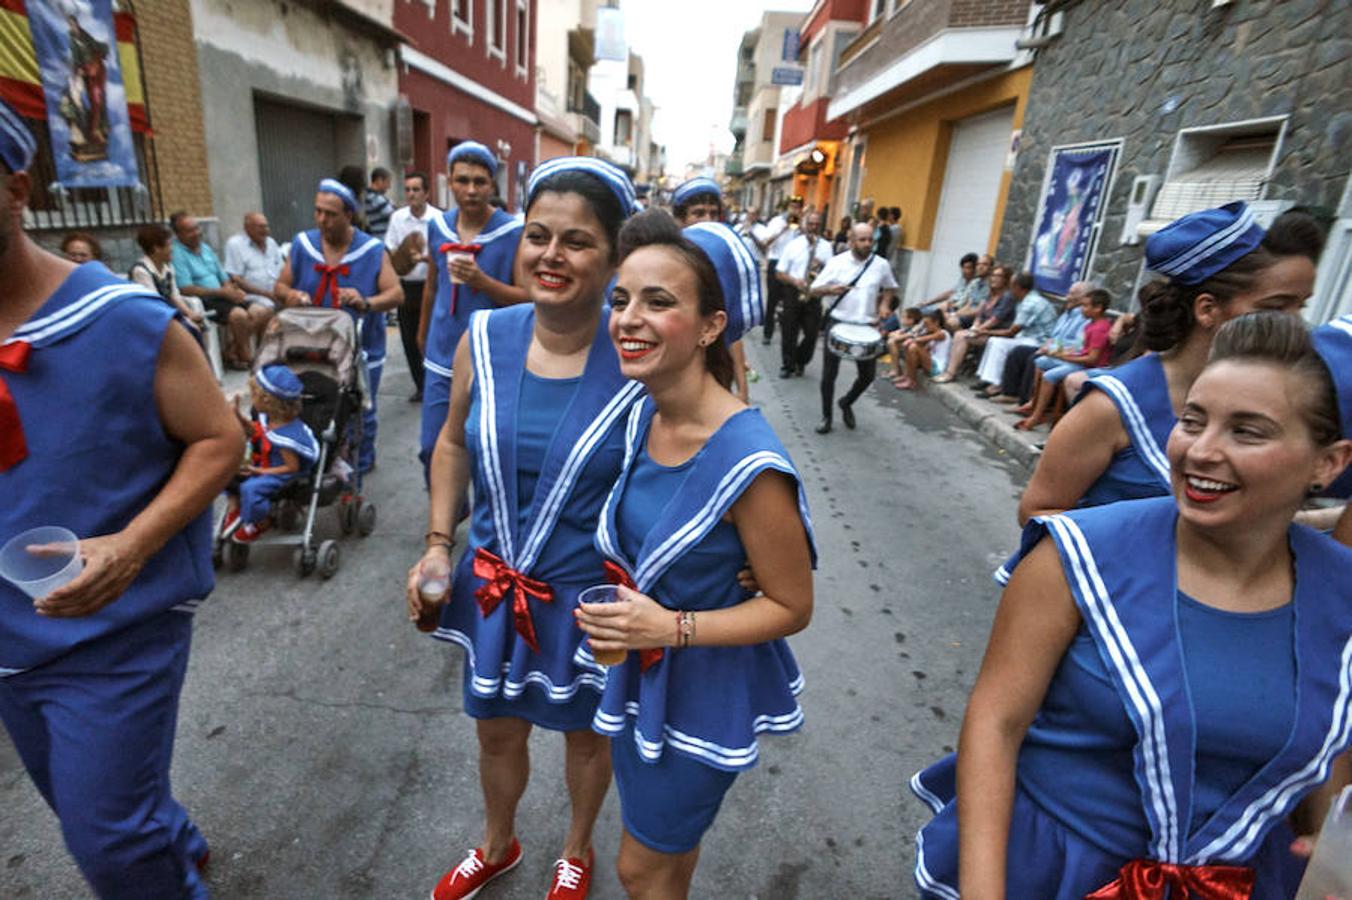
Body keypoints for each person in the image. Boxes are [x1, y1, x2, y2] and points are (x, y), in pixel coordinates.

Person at [913, 311, 1352, 898]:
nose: (1201, 450)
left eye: (1247, 432)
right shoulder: (1076, 555)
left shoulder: (1341, 593)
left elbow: (1327, 763)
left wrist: (1329, 849)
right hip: (1057, 871)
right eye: (1191, 421)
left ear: (1329, 462)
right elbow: (996, 725)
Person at [0, 100, 242, 899]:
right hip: (10, 642)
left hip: (113, 629)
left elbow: (220, 440)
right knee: (82, 804)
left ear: (17, 186)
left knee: (107, 843)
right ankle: (174, 838)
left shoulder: (123, 320)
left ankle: (156, 857)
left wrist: (132, 543)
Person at [407, 157, 643, 900]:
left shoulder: (640, 351)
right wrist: (438, 544)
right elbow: (450, 442)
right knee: (496, 730)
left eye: (576, 242)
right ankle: (498, 842)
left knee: (585, 735)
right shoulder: (482, 335)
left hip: (591, 598)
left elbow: (699, 455)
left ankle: (576, 849)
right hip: (492, 584)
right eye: (538, 235)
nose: (551, 255)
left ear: (612, 259)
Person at [576, 210, 814, 899]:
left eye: (658, 302)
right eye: (620, 299)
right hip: (641, 679)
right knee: (669, 860)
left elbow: (794, 605)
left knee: (638, 868)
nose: (627, 318)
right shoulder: (643, 412)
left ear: (713, 324)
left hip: (702, 693)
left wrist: (671, 626)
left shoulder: (749, 460)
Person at [1011, 203, 1323, 540]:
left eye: (1300, 305)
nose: (1296, 323)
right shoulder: (1111, 407)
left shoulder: (1279, 401)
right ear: (1208, 309)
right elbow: (1036, 511)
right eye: (1276, 307)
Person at [273, 178, 401, 474]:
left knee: (359, 409)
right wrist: (290, 295)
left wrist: (366, 301)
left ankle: (360, 461)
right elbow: (279, 286)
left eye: (330, 214)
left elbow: (396, 294)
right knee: (309, 403)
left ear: (349, 215)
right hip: (310, 344)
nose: (321, 219)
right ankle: (312, 457)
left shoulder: (371, 250)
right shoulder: (303, 245)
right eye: (318, 211)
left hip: (361, 346)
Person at [417, 141, 529, 473]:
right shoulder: (438, 226)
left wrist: (483, 282)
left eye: (480, 181)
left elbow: (528, 297)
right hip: (442, 351)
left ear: (492, 185)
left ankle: (477, 517)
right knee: (430, 447)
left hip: (491, 355)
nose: (471, 190)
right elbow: (431, 285)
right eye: (462, 181)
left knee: (484, 452)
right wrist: (422, 333)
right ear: (449, 182)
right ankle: (452, 508)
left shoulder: (512, 232)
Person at [809, 221, 898, 434]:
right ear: (851, 241)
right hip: (838, 323)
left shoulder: (881, 264)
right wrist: (830, 290)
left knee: (867, 376)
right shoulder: (837, 262)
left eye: (870, 240)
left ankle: (846, 402)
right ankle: (826, 417)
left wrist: (885, 305)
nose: (868, 244)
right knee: (829, 374)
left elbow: (891, 288)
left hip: (866, 327)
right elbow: (813, 290)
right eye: (862, 239)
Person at [671, 177, 750, 404]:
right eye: (698, 214)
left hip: (714, 371)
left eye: (713, 214)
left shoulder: (720, 264)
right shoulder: (662, 262)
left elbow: (731, 328)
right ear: (680, 220)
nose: (709, 221)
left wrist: (742, 391)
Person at [221, 365, 320, 543]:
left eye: (254, 396)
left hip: (282, 473)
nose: (251, 400)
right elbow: (256, 431)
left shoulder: (286, 438)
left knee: (250, 488)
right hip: (264, 464)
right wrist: (237, 415)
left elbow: (292, 467)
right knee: (226, 469)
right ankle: (234, 507)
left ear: (268, 402)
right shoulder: (269, 419)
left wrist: (260, 472)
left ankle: (261, 521)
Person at [171, 210, 265, 370]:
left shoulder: (206, 249)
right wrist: (222, 292)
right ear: (178, 234)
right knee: (239, 316)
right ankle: (245, 357)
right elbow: (185, 288)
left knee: (262, 312)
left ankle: (231, 351)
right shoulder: (177, 253)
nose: (196, 233)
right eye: (190, 231)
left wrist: (232, 289)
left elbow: (224, 277)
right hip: (204, 299)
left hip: (223, 296)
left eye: (196, 228)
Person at [1015, 288, 1114, 429]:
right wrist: (1060, 354)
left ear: (1098, 308)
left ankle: (1037, 416)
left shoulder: (1100, 328)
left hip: (1088, 367)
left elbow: (1092, 359)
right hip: (1080, 361)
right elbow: (1081, 349)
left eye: (1085, 306)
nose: (1082, 310)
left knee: (1049, 376)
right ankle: (1034, 402)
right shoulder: (1090, 324)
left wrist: (1065, 357)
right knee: (1041, 361)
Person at [385, 170, 441, 402]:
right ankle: (420, 386)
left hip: (432, 286)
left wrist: (425, 258)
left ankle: (436, 383)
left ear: (427, 193)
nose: (411, 194)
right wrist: (402, 258)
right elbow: (390, 248)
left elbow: (442, 255)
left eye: (416, 189)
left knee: (431, 336)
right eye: (407, 189)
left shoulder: (439, 218)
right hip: (407, 286)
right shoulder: (397, 218)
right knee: (409, 339)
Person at [993, 280, 1091, 405]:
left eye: (1073, 294)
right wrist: (1045, 347)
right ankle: (1010, 393)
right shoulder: (1067, 313)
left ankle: (1025, 401)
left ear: (1084, 298)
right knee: (1018, 352)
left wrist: (1050, 350)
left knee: (1034, 358)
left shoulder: (1085, 319)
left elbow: (1077, 346)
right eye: (1069, 293)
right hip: (1052, 349)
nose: (1068, 297)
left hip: (1064, 355)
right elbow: (1054, 336)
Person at [971, 272, 1058, 392]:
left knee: (999, 344)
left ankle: (997, 384)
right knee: (993, 340)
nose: (1009, 289)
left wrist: (985, 331)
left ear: (1017, 287)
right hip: (1028, 337)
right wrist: (987, 332)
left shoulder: (1030, 302)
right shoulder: (1025, 299)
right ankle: (987, 379)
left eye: (1011, 285)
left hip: (1040, 341)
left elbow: (1011, 332)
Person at [932, 265, 1016, 383]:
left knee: (961, 336)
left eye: (998, 276)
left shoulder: (1007, 297)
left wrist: (978, 329)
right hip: (982, 330)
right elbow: (980, 314)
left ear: (1006, 279)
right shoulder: (990, 294)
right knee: (959, 334)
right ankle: (948, 369)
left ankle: (950, 373)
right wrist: (975, 326)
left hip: (996, 332)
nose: (994, 278)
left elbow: (995, 320)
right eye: (993, 275)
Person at [775, 210, 833, 378]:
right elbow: (779, 273)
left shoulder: (826, 247)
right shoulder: (793, 245)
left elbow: (832, 271)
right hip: (793, 292)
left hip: (814, 293)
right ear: (804, 225)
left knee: (812, 334)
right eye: (810, 224)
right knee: (789, 332)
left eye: (817, 224)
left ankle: (800, 360)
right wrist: (795, 281)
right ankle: (787, 365)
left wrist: (821, 265)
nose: (813, 228)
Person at [130, 223, 205, 328]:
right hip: (150, 318)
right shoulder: (141, 271)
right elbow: (154, 303)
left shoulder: (168, 267)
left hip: (166, 314)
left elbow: (174, 295)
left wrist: (190, 313)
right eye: (169, 245)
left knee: (198, 324)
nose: (172, 249)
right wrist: (180, 319)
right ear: (157, 248)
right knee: (188, 327)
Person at [761, 196, 803, 346]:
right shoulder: (776, 222)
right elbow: (765, 243)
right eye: (792, 206)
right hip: (776, 262)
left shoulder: (800, 224)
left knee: (790, 303)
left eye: (797, 207)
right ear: (787, 207)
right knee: (772, 301)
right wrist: (783, 229)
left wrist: (800, 225)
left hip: (792, 267)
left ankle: (788, 338)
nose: (794, 209)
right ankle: (767, 333)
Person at [223, 212, 284, 310]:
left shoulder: (271, 242)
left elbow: (282, 269)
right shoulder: (235, 244)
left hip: (276, 292)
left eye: (266, 226)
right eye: (261, 227)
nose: (266, 230)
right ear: (247, 228)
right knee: (268, 307)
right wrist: (267, 294)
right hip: (253, 296)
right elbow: (235, 278)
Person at [895, 309, 951, 391]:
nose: (925, 327)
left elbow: (923, 339)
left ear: (936, 322)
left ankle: (911, 381)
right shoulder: (930, 332)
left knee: (913, 346)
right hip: (929, 364)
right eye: (924, 324)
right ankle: (907, 377)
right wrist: (916, 333)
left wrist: (913, 339)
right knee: (910, 347)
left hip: (938, 369)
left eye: (927, 324)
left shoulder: (943, 333)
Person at [921, 252, 985, 319]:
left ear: (975, 269)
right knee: (919, 309)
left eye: (968, 268)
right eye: (962, 267)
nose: (964, 271)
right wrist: (928, 302)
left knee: (925, 314)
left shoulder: (977, 283)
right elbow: (951, 292)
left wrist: (949, 305)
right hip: (947, 307)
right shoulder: (963, 279)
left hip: (956, 312)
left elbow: (967, 304)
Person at [364, 166, 395, 241]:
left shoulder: (369, 196)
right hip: (382, 239)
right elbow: (395, 216)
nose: (389, 186)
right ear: (379, 180)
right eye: (388, 182)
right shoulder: (375, 198)